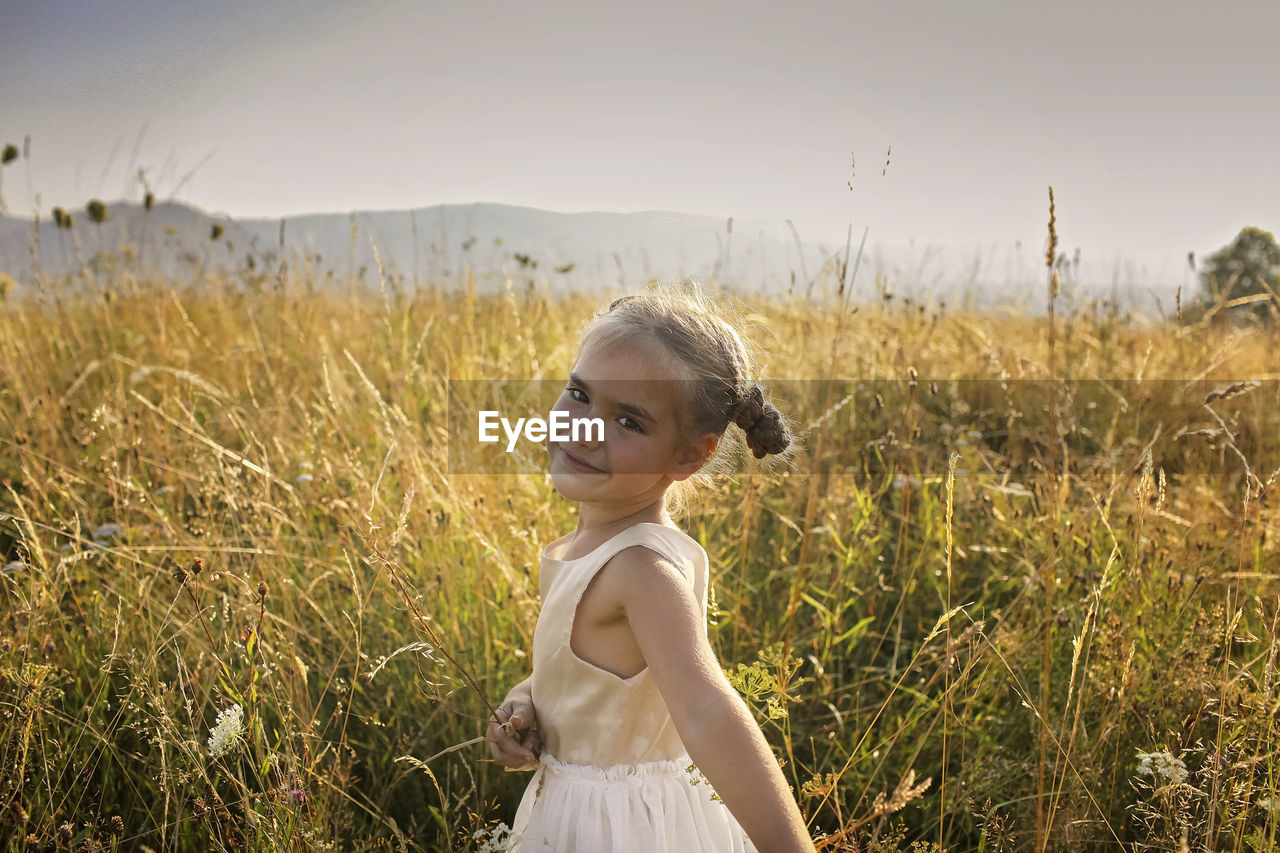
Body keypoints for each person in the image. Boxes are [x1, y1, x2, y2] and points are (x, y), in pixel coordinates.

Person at [484, 283, 814, 852]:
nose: (585, 428)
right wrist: (527, 698)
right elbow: (604, 680)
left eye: (629, 422)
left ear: (690, 454)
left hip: (621, 829)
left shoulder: (641, 570)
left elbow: (709, 712)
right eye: (579, 395)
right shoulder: (606, 546)